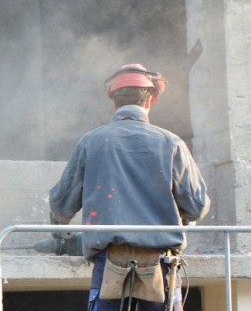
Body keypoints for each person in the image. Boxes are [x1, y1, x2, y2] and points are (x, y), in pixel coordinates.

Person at [49, 64, 210, 311]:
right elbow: (197, 206)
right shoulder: (171, 143)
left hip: (109, 262)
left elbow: (61, 205)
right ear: (152, 99)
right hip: (162, 265)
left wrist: (58, 231)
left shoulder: (92, 142)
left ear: (113, 101)